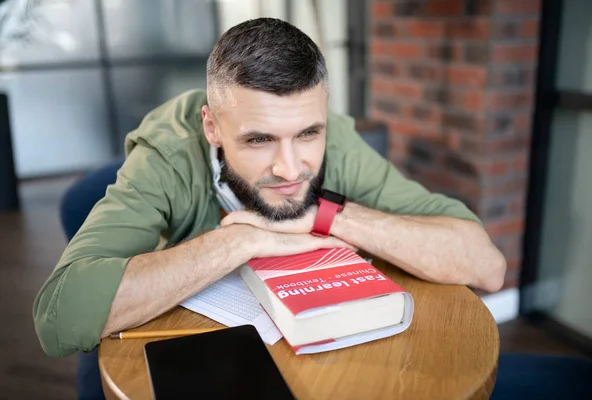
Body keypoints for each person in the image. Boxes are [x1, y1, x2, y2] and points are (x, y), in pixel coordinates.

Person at [34, 17, 506, 398]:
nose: (289, 169)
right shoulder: (167, 154)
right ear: (213, 127)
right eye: (259, 139)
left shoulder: (336, 138)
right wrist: (241, 238)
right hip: (192, 352)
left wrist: (328, 214)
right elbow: (60, 317)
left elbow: (486, 266)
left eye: (308, 133)